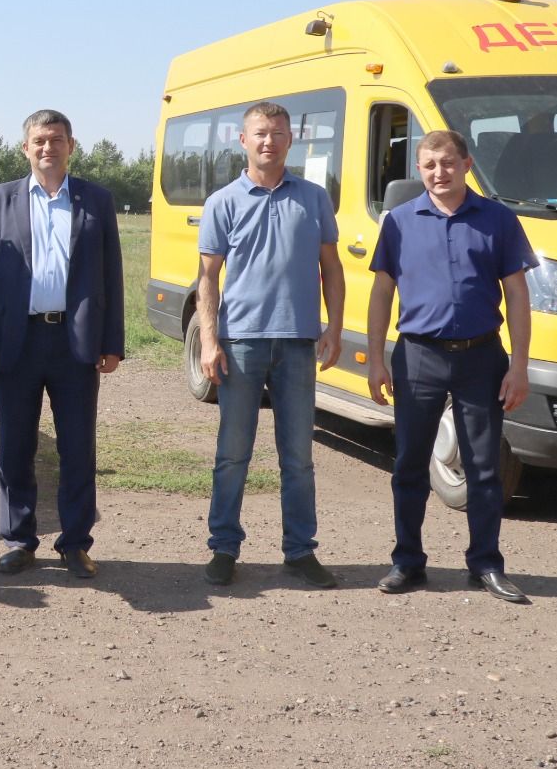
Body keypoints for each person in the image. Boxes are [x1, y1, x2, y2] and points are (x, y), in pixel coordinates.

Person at [366, 130, 538, 604]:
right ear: (418, 170)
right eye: (428, 165)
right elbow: (382, 293)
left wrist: (518, 365)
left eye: (447, 163)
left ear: (466, 165)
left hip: (482, 357)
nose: (438, 173)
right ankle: (408, 561)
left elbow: (518, 295)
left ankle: (486, 564)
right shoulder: (400, 221)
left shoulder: (498, 220)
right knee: (409, 465)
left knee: (484, 470)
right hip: (417, 355)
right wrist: (377, 359)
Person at [196, 101, 344, 588]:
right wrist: (209, 341)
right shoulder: (223, 202)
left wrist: (334, 327)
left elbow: (332, 269)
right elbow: (208, 279)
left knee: (297, 456)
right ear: (243, 140)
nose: (268, 141)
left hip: (299, 343)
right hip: (240, 345)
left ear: (290, 140)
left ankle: (300, 551)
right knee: (233, 452)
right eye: (260, 133)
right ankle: (224, 549)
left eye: (278, 133)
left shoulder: (314, 198)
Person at [0, 110, 124, 578]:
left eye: (56, 140)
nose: (47, 148)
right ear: (25, 148)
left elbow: (112, 275)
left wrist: (112, 341)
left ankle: (75, 543)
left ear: (71, 146)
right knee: (14, 447)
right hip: (17, 341)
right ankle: (19, 539)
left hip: (75, 342)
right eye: (39, 140)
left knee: (77, 447)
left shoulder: (96, 200)